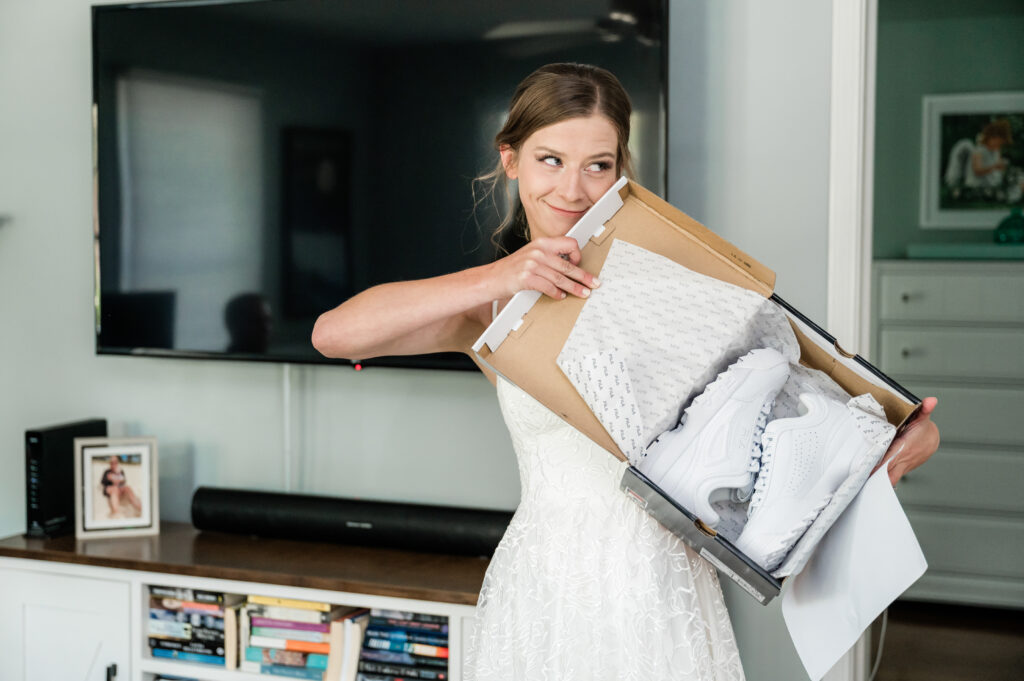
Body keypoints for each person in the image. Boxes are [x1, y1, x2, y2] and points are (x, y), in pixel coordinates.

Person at [312, 63, 940, 679]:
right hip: (545, 587)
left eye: (598, 166)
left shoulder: (672, 283)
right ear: (510, 159)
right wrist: (503, 274)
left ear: (620, 171)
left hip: (663, 585)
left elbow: (798, 393)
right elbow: (333, 334)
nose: (571, 190)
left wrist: (901, 436)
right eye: (549, 160)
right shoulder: (491, 311)